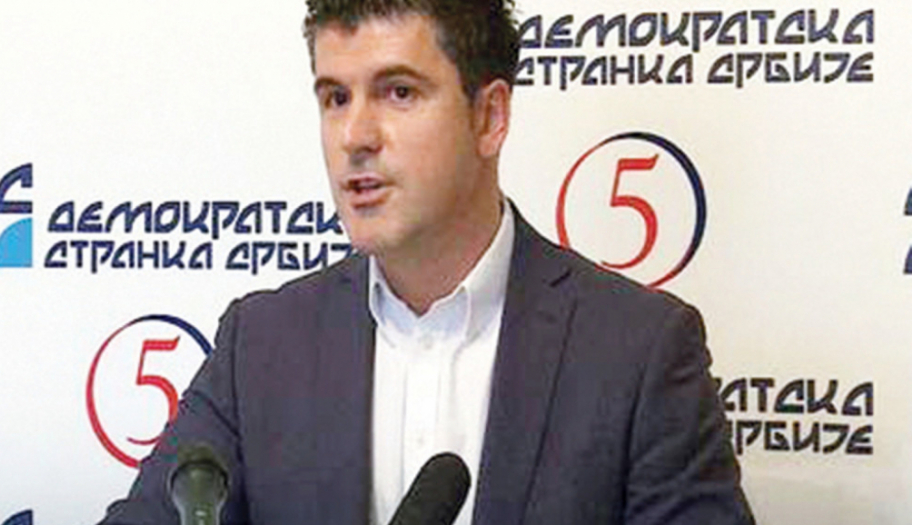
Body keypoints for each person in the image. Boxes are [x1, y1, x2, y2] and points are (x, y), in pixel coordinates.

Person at [99, 1, 755, 524]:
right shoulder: (260, 344)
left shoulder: (639, 351)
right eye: (335, 98)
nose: (355, 136)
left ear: (489, 117)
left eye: (398, 92)